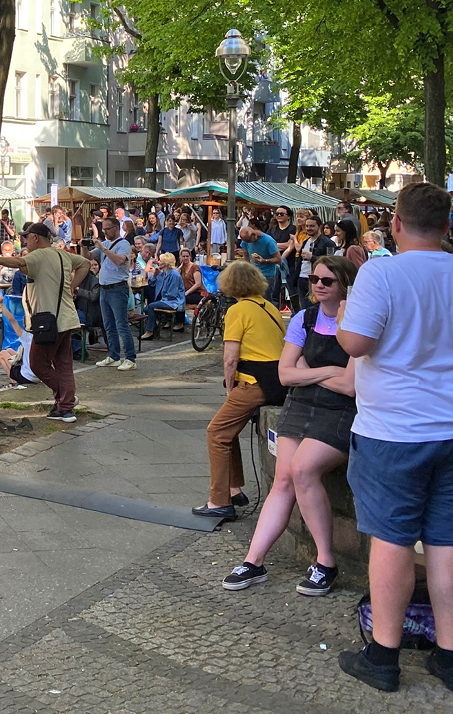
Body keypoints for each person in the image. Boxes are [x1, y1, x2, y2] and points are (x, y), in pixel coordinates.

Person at [334, 182, 453, 692]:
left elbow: (357, 342)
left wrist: (341, 320)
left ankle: (383, 657)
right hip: (449, 427)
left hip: (393, 432)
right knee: (447, 543)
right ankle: (449, 656)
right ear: (448, 227)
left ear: (397, 225)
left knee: (392, 540)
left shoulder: (381, 272)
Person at [223, 255, 358, 596]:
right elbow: (285, 375)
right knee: (282, 479)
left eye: (327, 280)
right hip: (300, 406)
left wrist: (308, 371)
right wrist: (329, 371)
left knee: (302, 470)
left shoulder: (357, 321)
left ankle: (326, 562)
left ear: (344, 284)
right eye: (314, 279)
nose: (318, 286)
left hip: (339, 411)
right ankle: (254, 561)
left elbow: (351, 386)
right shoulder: (304, 318)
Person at [194, 261, 287, 521]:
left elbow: (230, 358)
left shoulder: (237, 310)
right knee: (228, 431)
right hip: (276, 379)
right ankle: (234, 490)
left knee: (216, 432)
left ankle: (218, 501)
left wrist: (229, 386)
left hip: (252, 381)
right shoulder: (269, 306)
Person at [0, 223, 91, 422]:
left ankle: (66, 399)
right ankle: (65, 407)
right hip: (67, 318)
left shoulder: (38, 255)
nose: (25, 241)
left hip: (48, 322)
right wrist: (72, 286)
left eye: (27, 238)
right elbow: (85, 264)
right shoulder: (63, 254)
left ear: (36, 238)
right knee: (63, 365)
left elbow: (16, 261)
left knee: (37, 364)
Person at [94, 217, 137, 371]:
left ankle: (130, 358)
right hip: (104, 288)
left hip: (118, 289)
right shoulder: (105, 243)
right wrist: (85, 246)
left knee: (122, 324)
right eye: (103, 229)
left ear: (116, 228)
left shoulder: (124, 244)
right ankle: (114, 356)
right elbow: (90, 256)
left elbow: (119, 260)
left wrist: (103, 249)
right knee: (108, 325)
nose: (105, 232)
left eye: (107, 229)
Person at [140, 252, 185, 340]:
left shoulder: (174, 275)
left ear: (165, 262)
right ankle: (154, 328)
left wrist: (160, 300)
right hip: (165, 300)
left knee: (151, 306)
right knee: (146, 309)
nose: (158, 262)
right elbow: (152, 283)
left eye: (160, 260)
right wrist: (154, 275)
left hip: (174, 301)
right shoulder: (163, 273)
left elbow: (172, 294)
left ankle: (150, 332)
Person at [238, 222, 283, 308]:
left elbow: (278, 259)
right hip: (253, 274)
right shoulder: (246, 241)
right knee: (252, 299)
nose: (250, 242)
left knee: (265, 300)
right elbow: (246, 256)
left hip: (267, 274)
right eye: (247, 241)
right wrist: (246, 270)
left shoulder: (268, 241)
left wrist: (264, 261)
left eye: (251, 240)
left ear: (254, 233)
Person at [0, 308, 40, 390]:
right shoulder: (41, 337)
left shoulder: (27, 337)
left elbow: (12, 320)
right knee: (9, 350)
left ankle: (13, 381)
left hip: (27, 376)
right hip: (39, 375)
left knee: (2, 353)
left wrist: (2, 305)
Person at [179, 247, 204, 323]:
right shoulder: (181, 268)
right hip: (187, 292)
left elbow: (198, 284)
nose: (185, 258)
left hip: (198, 293)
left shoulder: (194, 267)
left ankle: (180, 322)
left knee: (181, 300)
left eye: (187, 256)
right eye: (183, 256)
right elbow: (175, 275)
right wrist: (180, 266)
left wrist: (186, 293)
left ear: (190, 257)